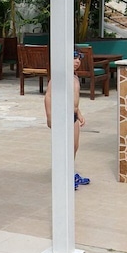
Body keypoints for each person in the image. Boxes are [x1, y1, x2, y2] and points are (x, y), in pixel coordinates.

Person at [44, 50, 88, 189]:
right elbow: (49, 96)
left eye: (79, 59)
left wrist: (78, 113)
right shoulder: (59, 77)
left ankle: (69, 172)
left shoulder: (74, 77)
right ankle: (62, 176)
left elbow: (73, 98)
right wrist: (49, 116)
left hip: (72, 116)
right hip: (62, 116)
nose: (77, 61)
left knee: (74, 146)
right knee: (64, 147)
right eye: (74, 58)